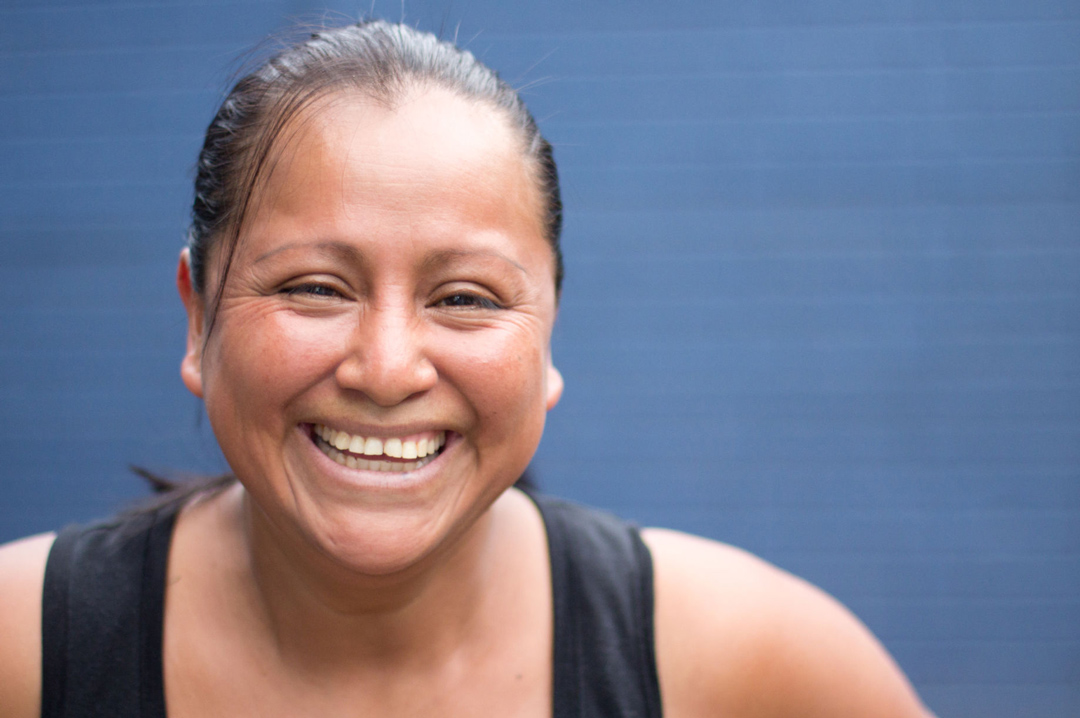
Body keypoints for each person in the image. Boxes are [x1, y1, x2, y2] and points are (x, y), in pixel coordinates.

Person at [0, 20, 934, 718]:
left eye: (465, 298)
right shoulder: (25, 653)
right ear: (199, 317)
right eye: (316, 288)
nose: (387, 368)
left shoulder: (747, 665)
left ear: (549, 334)